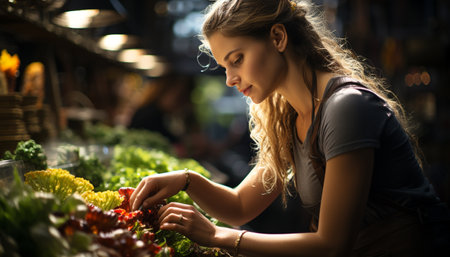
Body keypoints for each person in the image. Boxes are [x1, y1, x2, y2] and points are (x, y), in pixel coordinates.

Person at [130, 0, 450, 256]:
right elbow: (240, 206)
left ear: (278, 38)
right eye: (225, 66)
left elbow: (331, 245)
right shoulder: (289, 117)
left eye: (237, 59)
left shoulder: (345, 107)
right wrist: (187, 180)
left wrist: (218, 236)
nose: (230, 79)